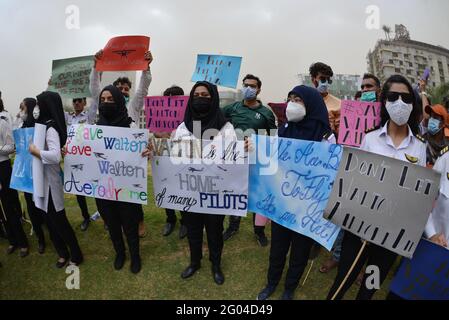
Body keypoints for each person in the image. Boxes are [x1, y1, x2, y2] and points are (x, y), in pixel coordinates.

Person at [326, 75, 426, 300]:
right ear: (384, 101)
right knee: (344, 280)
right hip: (359, 230)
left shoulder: (419, 147)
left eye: (406, 97)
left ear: (412, 103)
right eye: (393, 96)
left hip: (391, 237)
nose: (399, 102)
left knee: (369, 286)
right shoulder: (370, 139)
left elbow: (416, 194)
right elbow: (355, 181)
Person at [257, 85, 333, 300]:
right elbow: (271, 165)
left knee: (300, 252)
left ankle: (290, 287)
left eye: (298, 99)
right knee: (278, 248)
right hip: (282, 202)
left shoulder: (326, 137)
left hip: (308, 208)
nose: (292, 104)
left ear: (310, 104)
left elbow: (329, 175)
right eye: (290, 98)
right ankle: (271, 283)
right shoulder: (283, 131)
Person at [174, 81, 237, 285]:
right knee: (193, 230)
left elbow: (234, 159)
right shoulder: (183, 127)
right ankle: (195, 262)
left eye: (205, 95)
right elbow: (173, 156)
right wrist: (156, 151)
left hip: (215, 193)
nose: (200, 98)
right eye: (196, 95)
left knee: (214, 231)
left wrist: (245, 149)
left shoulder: (226, 128)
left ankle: (216, 264)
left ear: (214, 98)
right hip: (190, 191)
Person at [320, 73, 382, 276]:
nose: (365, 90)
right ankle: (338, 256)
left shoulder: (384, 117)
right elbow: (342, 142)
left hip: (374, 177)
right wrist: (335, 129)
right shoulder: (350, 114)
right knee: (342, 217)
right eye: (362, 87)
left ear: (378, 90)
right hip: (349, 172)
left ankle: (363, 266)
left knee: (368, 223)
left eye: (369, 86)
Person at [92, 49, 153, 238]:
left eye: (126, 89)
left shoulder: (133, 107)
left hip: (129, 161)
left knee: (131, 195)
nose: (123, 92)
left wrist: (146, 67)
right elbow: (95, 89)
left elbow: (143, 89)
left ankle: (139, 221)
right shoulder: (104, 104)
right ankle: (114, 222)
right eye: (120, 89)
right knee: (110, 193)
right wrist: (96, 67)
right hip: (108, 161)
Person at [93, 85, 144, 274]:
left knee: (130, 224)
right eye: (103, 100)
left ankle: (135, 254)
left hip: (126, 186)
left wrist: (145, 151)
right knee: (112, 224)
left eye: (110, 99)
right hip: (103, 188)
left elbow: (141, 149)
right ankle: (120, 253)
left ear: (119, 101)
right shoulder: (95, 128)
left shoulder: (130, 126)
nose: (106, 103)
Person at [29, 91, 83, 268]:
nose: (36, 106)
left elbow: (55, 156)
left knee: (59, 221)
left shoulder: (50, 127)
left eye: (39, 102)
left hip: (50, 183)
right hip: (40, 181)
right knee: (49, 221)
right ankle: (62, 253)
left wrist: (37, 152)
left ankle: (76, 254)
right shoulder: (40, 125)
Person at [222, 74, 277, 247]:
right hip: (236, 160)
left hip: (257, 162)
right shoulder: (231, 108)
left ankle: (259, 230)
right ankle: (233, 226)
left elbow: (273, 138)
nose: (248, 88)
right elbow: (217, 124)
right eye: (246, 85)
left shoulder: (266, 113)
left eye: (252, 86)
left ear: (259, 89)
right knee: (235, 192)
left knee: (257, 195)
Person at [0, 97, 29, 257]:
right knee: (1, 211)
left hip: (3, 167)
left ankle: (22, 243)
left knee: (9, 207)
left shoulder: (2, 121)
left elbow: (11, 147)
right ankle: (12, 240)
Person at [64, 97, 99, 231]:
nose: (77, 103)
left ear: (84, 103)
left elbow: (95, 102)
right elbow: (54, 106)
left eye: (79, 100)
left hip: (88, 158)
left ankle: (106, 217)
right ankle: (85, 217)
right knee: (79, 191)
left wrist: (98, 77)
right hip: (74, 159)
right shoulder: (68, 117)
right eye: (74, 101)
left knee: (96, 188)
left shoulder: (89, 116)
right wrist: (51, 86)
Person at [158, 85, 188, 239]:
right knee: (166, 189)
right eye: (167, 99)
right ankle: (170, 219)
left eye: (173, 99)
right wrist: (160, 135)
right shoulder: (160, 118)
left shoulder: (189, 119)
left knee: (181, 190)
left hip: (182, 160)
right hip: (164, 159)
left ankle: (185, 221)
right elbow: (156, 135)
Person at [20, 98, 46, 254]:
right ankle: (40, 239)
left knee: (43, 205)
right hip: (27, 175)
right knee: (31, 206)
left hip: (40, 173)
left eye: (23, 108)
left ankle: (50, 228)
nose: (21, 112)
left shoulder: (39, 127)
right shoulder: (22, 128)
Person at [309, 62, 341, 136]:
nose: (325, 83)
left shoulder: (339, 103)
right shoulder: (305, 101)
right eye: (322, 79)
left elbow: (341, 132)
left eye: (328, 80)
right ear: (313, 80)